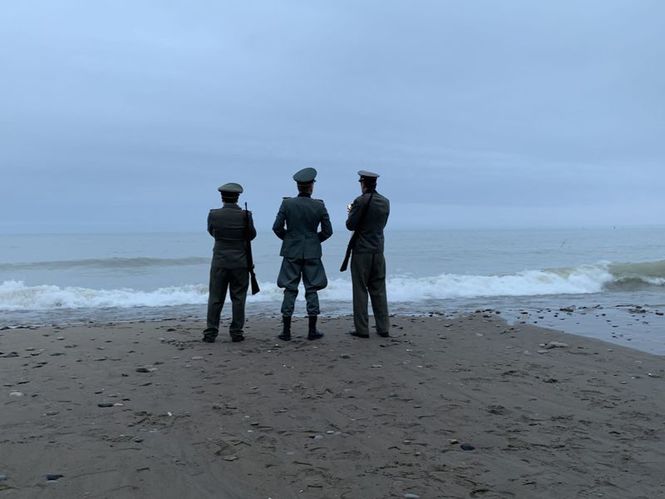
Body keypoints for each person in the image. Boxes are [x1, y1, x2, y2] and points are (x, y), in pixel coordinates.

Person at [272, 167, 333, 341]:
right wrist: (314, 241)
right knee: (311, 289)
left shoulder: (287, 204)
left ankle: (286, 331)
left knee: (290, 289)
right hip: (312, 252)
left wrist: (289, 240)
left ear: (298, 186)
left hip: (291, 251)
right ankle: (312, 331)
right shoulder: (319, 205)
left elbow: (276, 228)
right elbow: (327, 231)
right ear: (311, 186)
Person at [202, 182, 256, 343]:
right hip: (240, 261)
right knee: (238, 298)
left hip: (219, 261)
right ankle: (236, 332)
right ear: (237, 198)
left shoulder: (214, 214)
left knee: (215, 298)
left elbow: (212, 232)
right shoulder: (246, 215)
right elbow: (251, 235)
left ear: (222, 197)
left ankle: (211, 332)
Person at [346, 170, 390, 338]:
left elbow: (350, 225)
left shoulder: (360, 201)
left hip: (361, 252)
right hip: (378, 250)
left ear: (363, 183)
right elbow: (382, 224)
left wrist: (350, 211)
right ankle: (383, 327)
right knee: (379, 289)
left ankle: (362, 329)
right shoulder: (385, 202)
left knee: (360, 290)